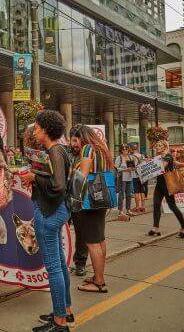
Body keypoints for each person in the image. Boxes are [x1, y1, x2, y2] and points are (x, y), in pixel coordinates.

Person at [21, 111, 73, 332]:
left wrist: (34, 177)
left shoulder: (55, 151)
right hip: (56, 211)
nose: (35, 131)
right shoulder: (58, 150)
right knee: (60, 265)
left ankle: (60, 322)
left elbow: (57, 185)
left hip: (49, 212)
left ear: (46, 130)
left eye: (38, 127)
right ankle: (65, 310)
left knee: (54, 268)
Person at [70, 125, 112, 294]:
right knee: (100, 239)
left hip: (88, 200)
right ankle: (98, 276)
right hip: (100, 199)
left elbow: (83, 175)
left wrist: (71, 173)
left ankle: (99, 282)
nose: (73, 143)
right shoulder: (102, 149)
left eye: (74, 140)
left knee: (92, 242)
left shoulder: (87, 149)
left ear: (83, 138)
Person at [147, 140, 184, 238]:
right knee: (156, 204)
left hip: (168, 184)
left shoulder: (167, 156)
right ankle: (155, 228)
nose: (157, 147)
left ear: (164, 147)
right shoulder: (160, 157)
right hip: (159, 184)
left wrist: (151, 164)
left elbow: (162, 166)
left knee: (172, 206)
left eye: (159, 145)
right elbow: (175, 163)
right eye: (157, 145)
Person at [68, 126, 88, 277]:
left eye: (76, 140)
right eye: (72, 140)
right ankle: (64, 261)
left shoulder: (87, 154)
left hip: (80, 199)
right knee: (62, 232)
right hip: (64, 198)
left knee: (82, 233)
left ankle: (80, 263)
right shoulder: (66, 153)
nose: (74, 143)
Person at [115, 144, 136, 221]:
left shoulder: (130, 157)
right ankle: (120, 211)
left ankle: (128, 210)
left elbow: (133, 166)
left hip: (129, 178)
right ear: (121, 150)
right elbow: (116, 168)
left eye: (126, 149)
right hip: (122, 178)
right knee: (121, 194)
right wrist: (125, 169)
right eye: (123, 149)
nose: (125, 151)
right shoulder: (119, 158)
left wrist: (133, 169)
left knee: (129, 194)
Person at [129, 142, 147, 213]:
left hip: (134, 176)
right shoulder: (142, 156)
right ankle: (143, 206)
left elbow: (130, 167)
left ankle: (137, 207)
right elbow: (145, 166)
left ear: (131, 148)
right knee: (142, 191)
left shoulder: (131, 157)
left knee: (136, 192)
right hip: (142, 176)